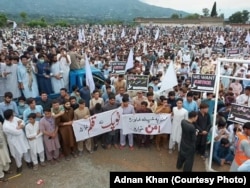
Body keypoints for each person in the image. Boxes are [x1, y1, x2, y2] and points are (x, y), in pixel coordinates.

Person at [3, 109, 32, 173]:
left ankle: (28, 162)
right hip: (14, 141)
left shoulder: (14, 118)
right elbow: (17, 132)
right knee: (17, 154)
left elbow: (23, 121)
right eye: (12, 114)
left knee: (26, 150)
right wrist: (19, 126)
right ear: (10, 116)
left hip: (22, 138)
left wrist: (20, 126)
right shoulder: (6, 126)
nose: (14, 115)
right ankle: (19, 166)